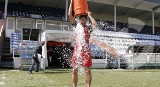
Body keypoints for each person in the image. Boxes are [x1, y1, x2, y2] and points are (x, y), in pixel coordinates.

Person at [68, 0, 97, 87]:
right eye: (80, 18)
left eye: (83, 19)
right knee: (74, 69)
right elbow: (70, 15)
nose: (81, 20)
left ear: (85, 20)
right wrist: (71, 3)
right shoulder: (76, 26)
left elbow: (95, 25)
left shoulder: (88, 28)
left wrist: (89, 15)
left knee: (87, 70)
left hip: (86, 50)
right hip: (77, 51)